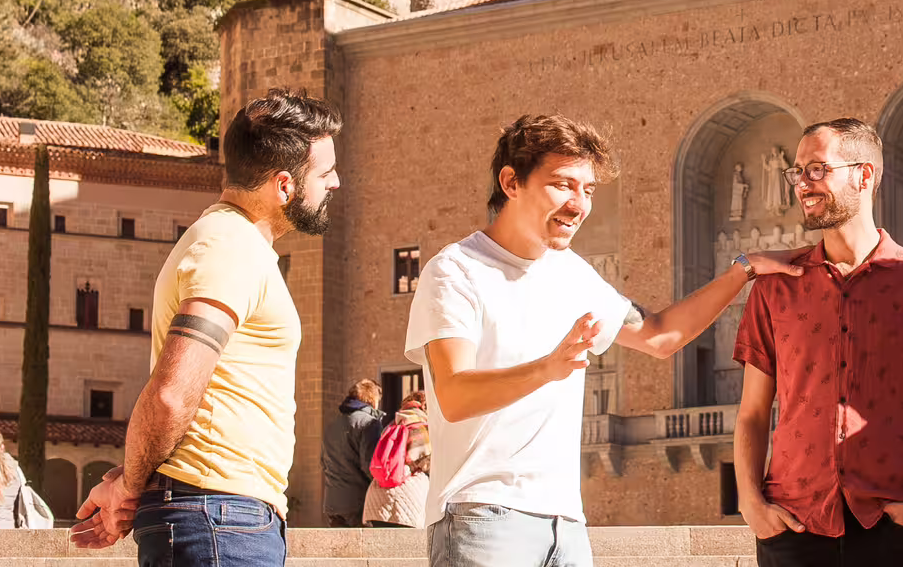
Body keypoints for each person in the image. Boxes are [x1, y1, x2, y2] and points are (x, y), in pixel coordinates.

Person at [405, 113, 804, 567]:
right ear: (511, 182)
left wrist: (743, 270)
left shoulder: (571, 271)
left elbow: (659, 336)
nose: (579, 204)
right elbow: (454, 395)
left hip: (567, 526)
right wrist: (546, 368)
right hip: (482, 518)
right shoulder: (454, 270)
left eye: (587, 189)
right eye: (562, 184)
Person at [70, 88, 345, 566]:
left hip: (216, 513)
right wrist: (132, 486)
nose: (336, 183)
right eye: (325, 173)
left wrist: (128, 480)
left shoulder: (228, 243)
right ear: (285, 186)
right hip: (219, 518)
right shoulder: (230, 247)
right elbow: (172, 393)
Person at [733, 117, 903, 567]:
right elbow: (751, 413)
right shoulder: (774, 289)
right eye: (797, 171)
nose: (801, 183)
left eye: (817, 169)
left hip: (895, 528)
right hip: (793, 526)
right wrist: (751, 504)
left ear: (864, 175)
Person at [323, 379, 387, 526]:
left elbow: (323, 462)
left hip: (332, 503)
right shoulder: (370, 423)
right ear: (373, 399)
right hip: (359, 503)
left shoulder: (332, 425)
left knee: (338, 548)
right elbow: (371, 466)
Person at [363, 390, 430, 529]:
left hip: (376, 497)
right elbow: (426, 462)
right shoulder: (419, 425)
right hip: (409, 496)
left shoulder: (392, 424)